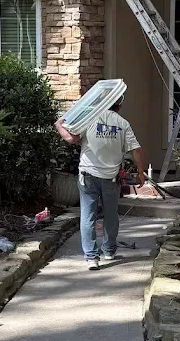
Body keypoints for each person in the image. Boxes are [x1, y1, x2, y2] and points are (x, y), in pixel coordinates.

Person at [55, 95, 146, 270]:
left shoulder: (88, 118)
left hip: (87, 174)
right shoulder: (122, 123)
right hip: (111, 178)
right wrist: (140, 172)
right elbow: (137, 149)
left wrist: (59, 125)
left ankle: (91, 258)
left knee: (88, 216)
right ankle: (109, 250)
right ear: (119, 105)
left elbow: (71, 139)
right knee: (111, 215)